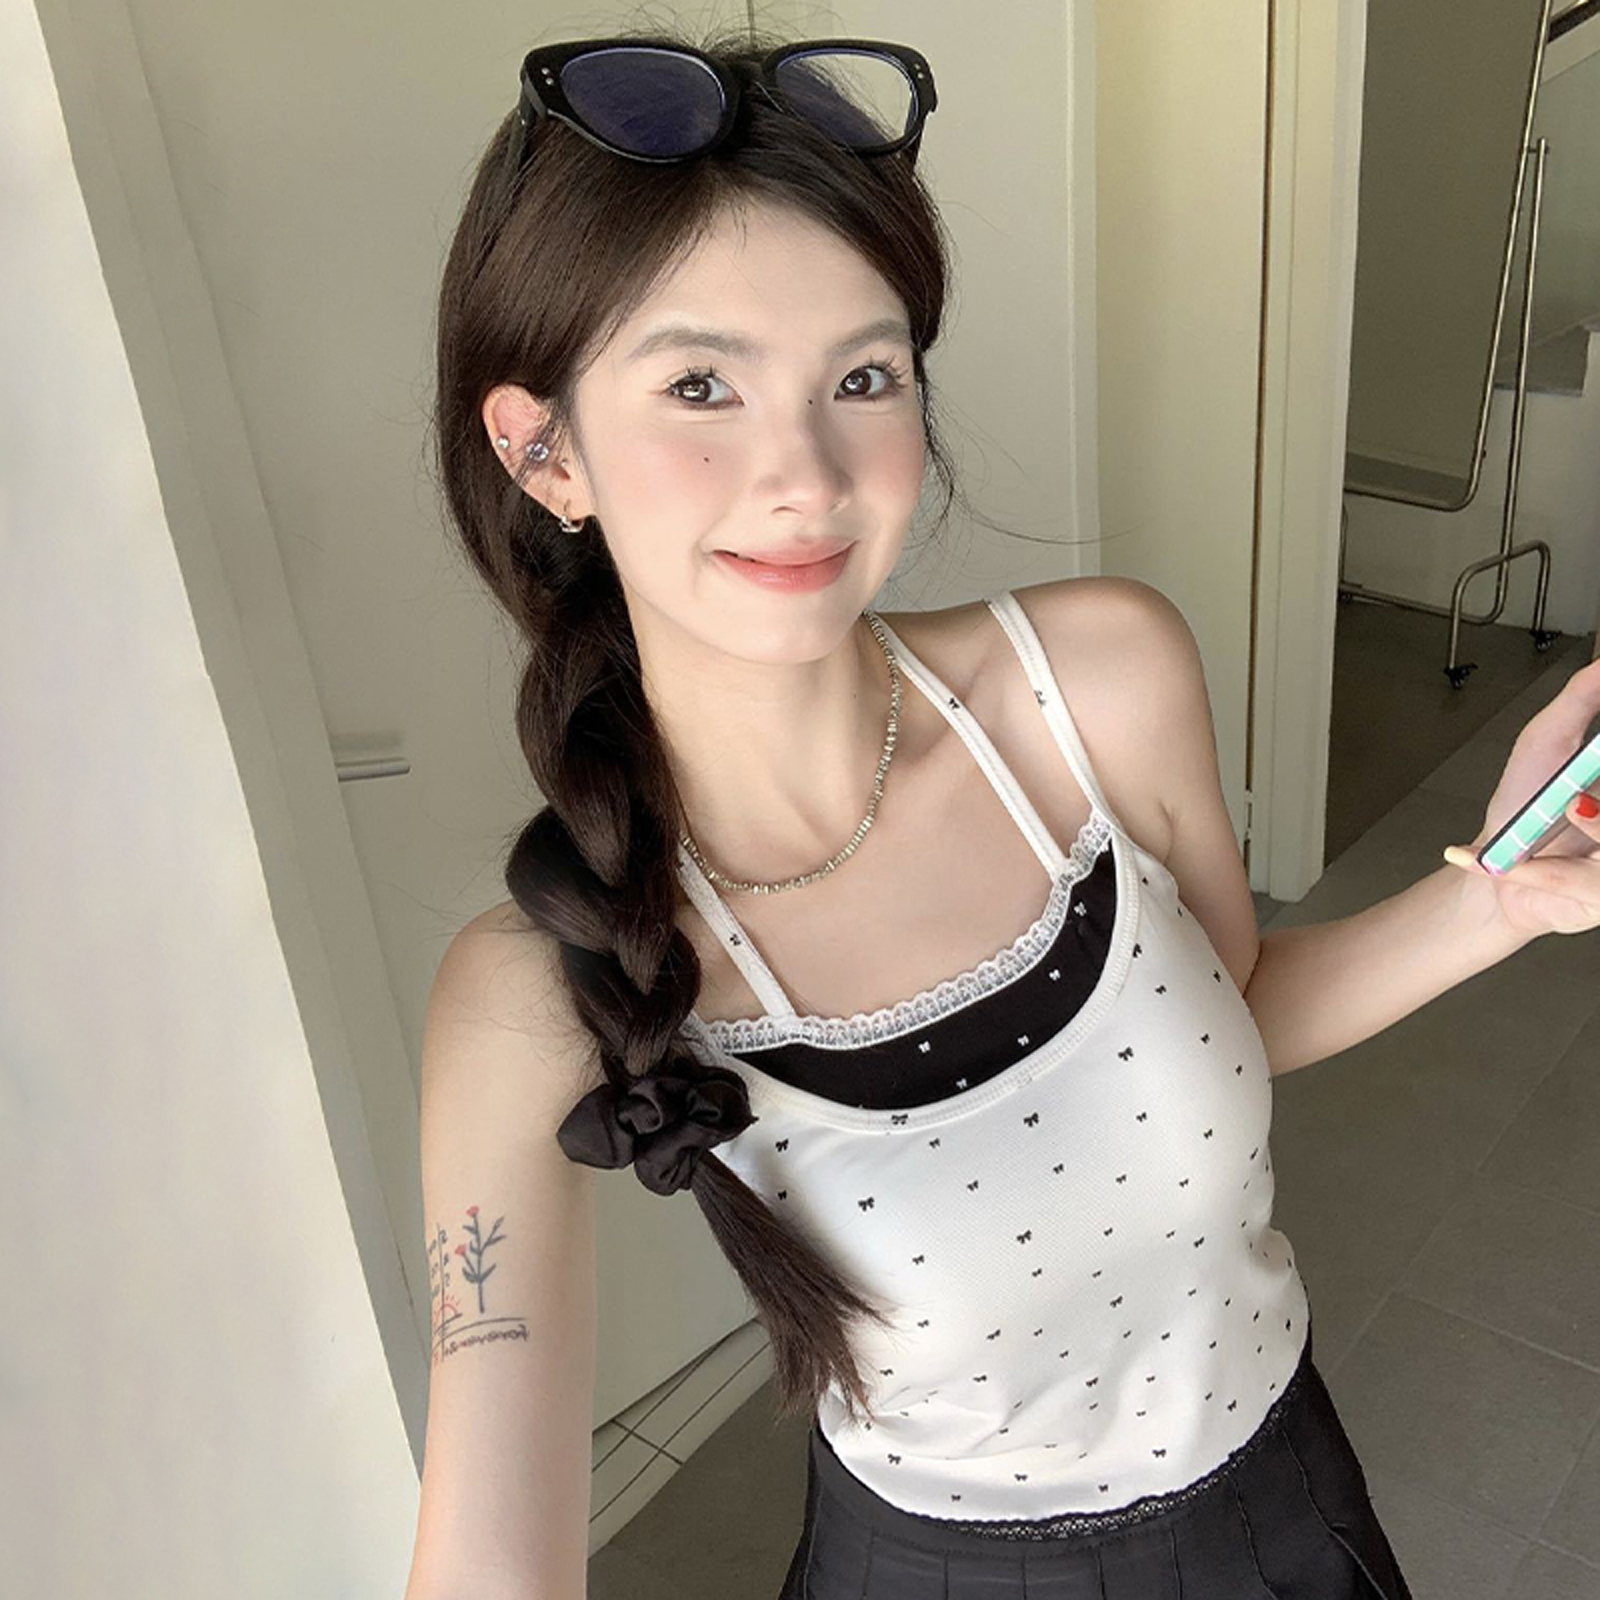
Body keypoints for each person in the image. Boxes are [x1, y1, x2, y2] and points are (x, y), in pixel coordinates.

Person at [409, 21, 1415, 1599]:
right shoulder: (524, 993)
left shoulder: (1097, 683)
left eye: (863, 376)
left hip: (1284, 1502)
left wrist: (1512, 891)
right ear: (545, 455)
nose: (806, 474)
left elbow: (1238, 1002)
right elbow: (488, 1551)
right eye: (698, 385)